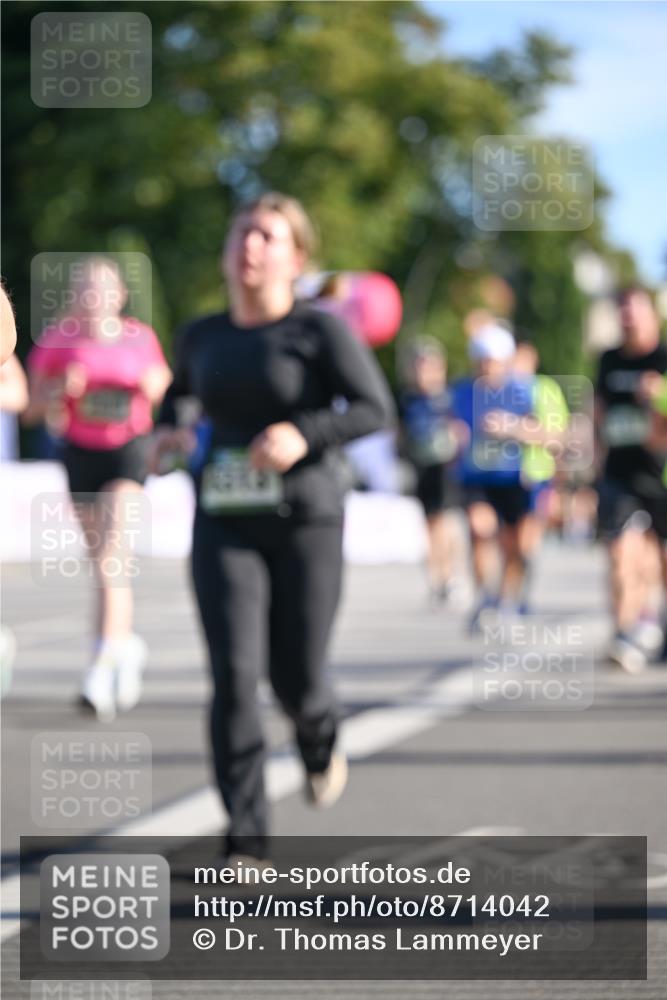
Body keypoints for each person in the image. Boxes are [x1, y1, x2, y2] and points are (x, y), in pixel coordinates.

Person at [149, 193, 394, 863]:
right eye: (240, 233)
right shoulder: (201, 334)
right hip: (225, 522)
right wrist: (169, 433)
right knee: (234, 675)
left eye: (265, 235)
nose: (249, 246)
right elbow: (182, 397)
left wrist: (303, 432)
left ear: (296, 257)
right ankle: (246, 844)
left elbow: (375, 409)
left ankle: (318, 737)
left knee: (298, 678)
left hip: (305, 521)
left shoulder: (319, 332)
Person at [24, 256, 172, 718]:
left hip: (127, 451)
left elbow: (165, 383)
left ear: (119, 297)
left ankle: (100, 667)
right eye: (84, 290)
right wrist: (56, 391)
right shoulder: (56, 341)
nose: (92, 298)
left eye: (101, 290)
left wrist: (152, 384)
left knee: (111, 559)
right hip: (79, 454)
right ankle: (124, 646)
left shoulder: (139, 338)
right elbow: (28, 408)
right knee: (105, 566)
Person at [450, 323, 560, 629]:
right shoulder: (461, 391)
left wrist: (513, 428)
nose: (488, 368)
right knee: (479, 528)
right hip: (477, 477)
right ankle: (486, 598)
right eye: (482, 361)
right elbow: (451, 426)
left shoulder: (526, 390)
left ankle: (508, 600)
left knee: (516, 546)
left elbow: (553, 436)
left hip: (516, 478)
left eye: (494, 361)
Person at [595, 286, 667, 671]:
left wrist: (659, 396)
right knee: (621, 554)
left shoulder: (663, 356)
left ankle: (654, 622)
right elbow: (599, 412)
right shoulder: (608, 360)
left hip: (661, 473)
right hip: (620, 474)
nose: (627, 319)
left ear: (650, 314)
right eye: (621, 311)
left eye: (633, 311)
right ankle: (624, 633)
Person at [399, 338, 466, 605]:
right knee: (428, 523)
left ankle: (449, 575)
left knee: (444, 521)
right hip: (421, 467)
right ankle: (437, 577)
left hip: (446, 468)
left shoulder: (449, 397)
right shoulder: (407, 399)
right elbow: (399, 434)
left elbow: (463, 430)